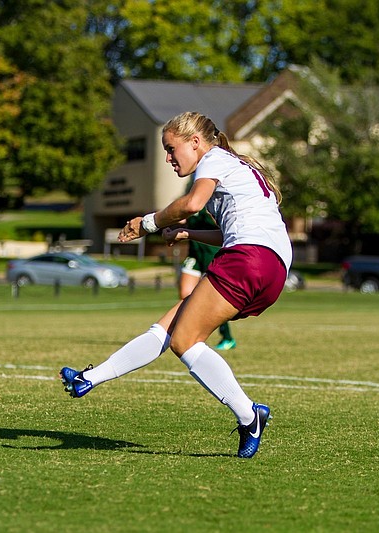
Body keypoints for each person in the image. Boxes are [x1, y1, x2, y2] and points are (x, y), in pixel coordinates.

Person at [60, 111, 292, 459]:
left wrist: (148, 223)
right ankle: (88, 380)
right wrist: (189, 233)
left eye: (171, 149)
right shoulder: (241, 169)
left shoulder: (213, 159)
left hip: (249, 258)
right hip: (271, 267)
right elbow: (229, 229)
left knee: (185, 342)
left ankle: (250, 416)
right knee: (168, 328)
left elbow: (191, 203)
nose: (169, 158)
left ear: (195, 142)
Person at [179, 199, 236, 351]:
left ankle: (227, 337)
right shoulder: (192, 200)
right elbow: (181, 214)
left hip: (211, 253)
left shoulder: (212, 203)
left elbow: (222, 228)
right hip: (195, 253)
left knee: (213, 299)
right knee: (185, 294)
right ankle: (186, 333)